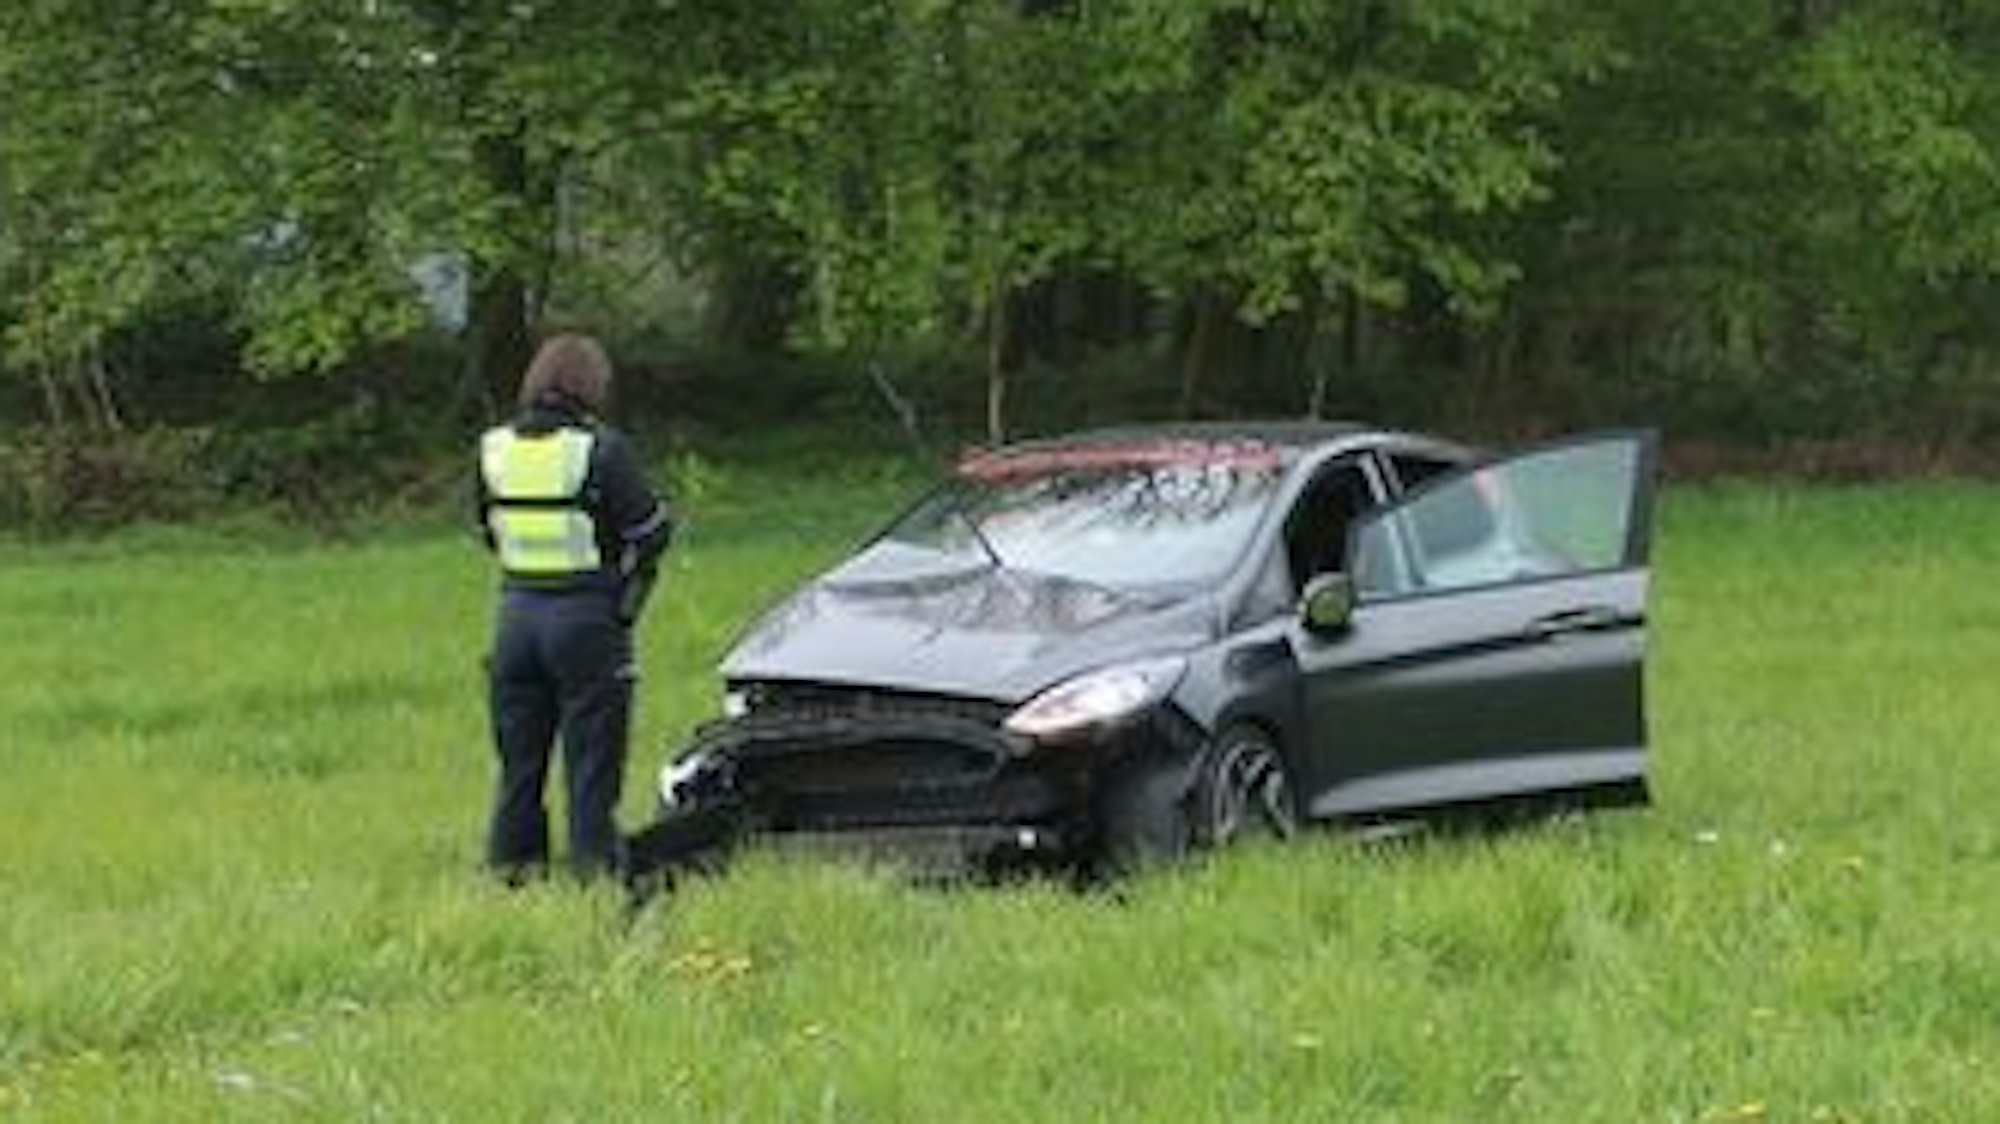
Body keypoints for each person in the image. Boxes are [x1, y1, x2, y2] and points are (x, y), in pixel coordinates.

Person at [475, 333, 673, 883]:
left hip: (516, 615)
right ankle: (594, 869)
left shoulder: (494, 449)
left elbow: (487, 528)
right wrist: (627, 591)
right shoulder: (601, 450)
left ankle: (513, 867)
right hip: (587, 617)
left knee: (519, 763)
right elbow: (650, 530)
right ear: (593, 387)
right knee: (591, 760)